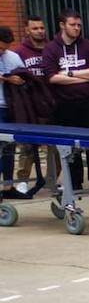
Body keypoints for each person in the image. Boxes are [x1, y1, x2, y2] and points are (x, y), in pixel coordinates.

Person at [40, 8, 89, 196]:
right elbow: (52, 77)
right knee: (71, 145)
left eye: (78, 25)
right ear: (62, 25)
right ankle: (76, 183)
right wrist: (83, 78)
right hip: (65, 105)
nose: (77, 28)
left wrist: (69, 74)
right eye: (72, 25)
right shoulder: (51, 48)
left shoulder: (88, 46)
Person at [13, 15, 54, 193]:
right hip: (30, 105)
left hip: (50, 103)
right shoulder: (19, 52)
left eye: (42, 28)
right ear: (27, 30)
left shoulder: (52, 48)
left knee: (55, 145)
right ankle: (22, 180)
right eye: (35, 28)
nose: (40, 31)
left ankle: (52, 180)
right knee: (28, 145)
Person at [0, 27, 25, 196]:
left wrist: (19, 80)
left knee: (9, 148)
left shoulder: (13, 57)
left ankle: (8, 186)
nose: (2, 51)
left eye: (5, 48)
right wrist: (6, 78)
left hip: (10, 107)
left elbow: (24, 76)